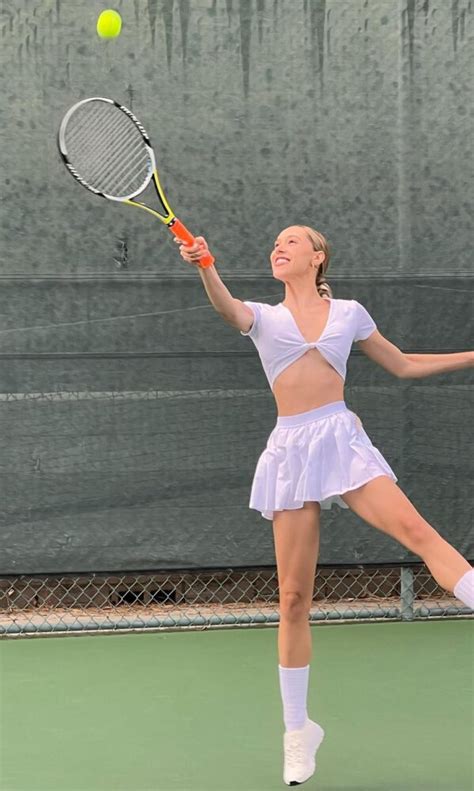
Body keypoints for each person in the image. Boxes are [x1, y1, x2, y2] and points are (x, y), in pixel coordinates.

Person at [175, 226, 474, 786]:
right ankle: (297, 732)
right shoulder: (264, 317)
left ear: (318, 257)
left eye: (292, 241)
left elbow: (403, 364)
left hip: (341, 439)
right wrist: (204, 265)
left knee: (419, 532)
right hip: (290, 451)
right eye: (274, 244)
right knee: (292, 599)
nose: (278, 247)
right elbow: (228, 309)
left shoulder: (350, 313)